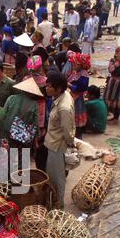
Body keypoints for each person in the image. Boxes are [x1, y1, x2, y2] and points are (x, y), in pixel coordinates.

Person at [44, 73, 75, 209]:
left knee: (57, 178)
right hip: (53, 141)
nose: (46, 88)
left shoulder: (64, 107)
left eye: (50, 86)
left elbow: (67, 131)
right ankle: (53, 201)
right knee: (53, 176)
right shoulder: (62, 96)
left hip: (57, 146)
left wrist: (70, 144)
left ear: (58, 89)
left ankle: (59, 205)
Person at [67, 52, 90, 139]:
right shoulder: (75, 72)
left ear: (81, 65)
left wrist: (70, 85)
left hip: (78, 98)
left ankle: (77, 137)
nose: (73, 66)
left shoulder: (84, 74)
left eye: (74, 64)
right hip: (72, 96)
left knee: (77, 116)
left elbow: (82, 87)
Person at [104, 46, 120, 123]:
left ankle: (116, 117)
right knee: (110, 98)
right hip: (112, 82)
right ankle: (110, 115)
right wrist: (117, 63)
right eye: (119, 51)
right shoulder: (113, 60)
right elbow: (110, 70)